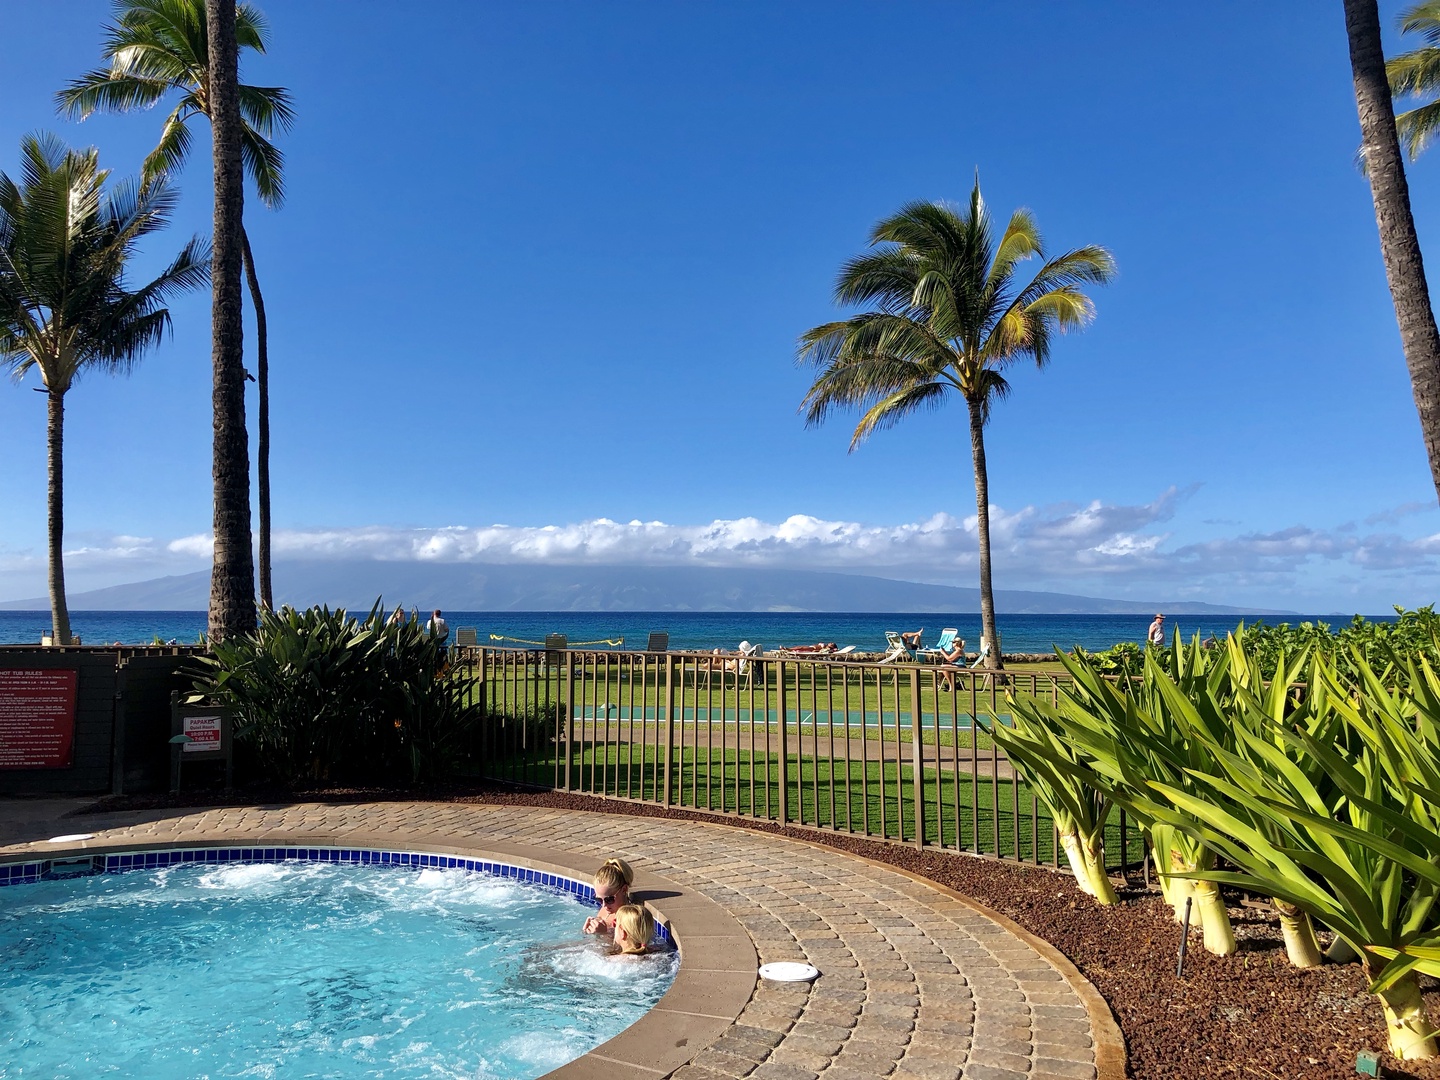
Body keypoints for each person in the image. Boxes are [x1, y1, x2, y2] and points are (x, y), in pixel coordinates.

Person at [582, 857, 633, 934]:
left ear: (624, 890)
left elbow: (627, 945)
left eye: (609, 899)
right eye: (599, 899)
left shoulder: (628, 919)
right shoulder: (606, 909)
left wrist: (603, 934)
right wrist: (586, 931)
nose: (604, 905)